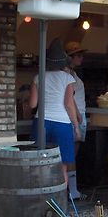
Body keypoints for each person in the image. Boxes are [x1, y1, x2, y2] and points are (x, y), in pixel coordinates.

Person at [29, 38, 80, 185]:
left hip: (41, 122)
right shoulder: (68, 78)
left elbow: (33, 104)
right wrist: (76, 127)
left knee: (39, 165)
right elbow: (69, 104)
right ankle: (60, 204)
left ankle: (40, 200)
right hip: (62, 125)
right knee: (61, 168)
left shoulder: (38, 77)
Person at [65, 40, 88, 200]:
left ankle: (71, 190)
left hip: (76, 117)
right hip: (74, 118)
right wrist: (78, 117)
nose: (81, 58)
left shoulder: (72, 74)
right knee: (71, 156)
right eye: (78, 55)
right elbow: (70, 99)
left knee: (71, 155)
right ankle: (72, 191)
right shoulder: (69, 74)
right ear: (70, 57)